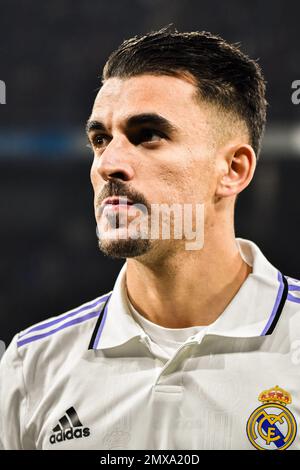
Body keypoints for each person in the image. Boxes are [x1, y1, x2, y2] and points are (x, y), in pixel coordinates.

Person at [1, 26, 299, 451]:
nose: (109, 164)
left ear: (233, 169)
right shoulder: (31, 365)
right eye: (101, 139)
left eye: (148, 136)